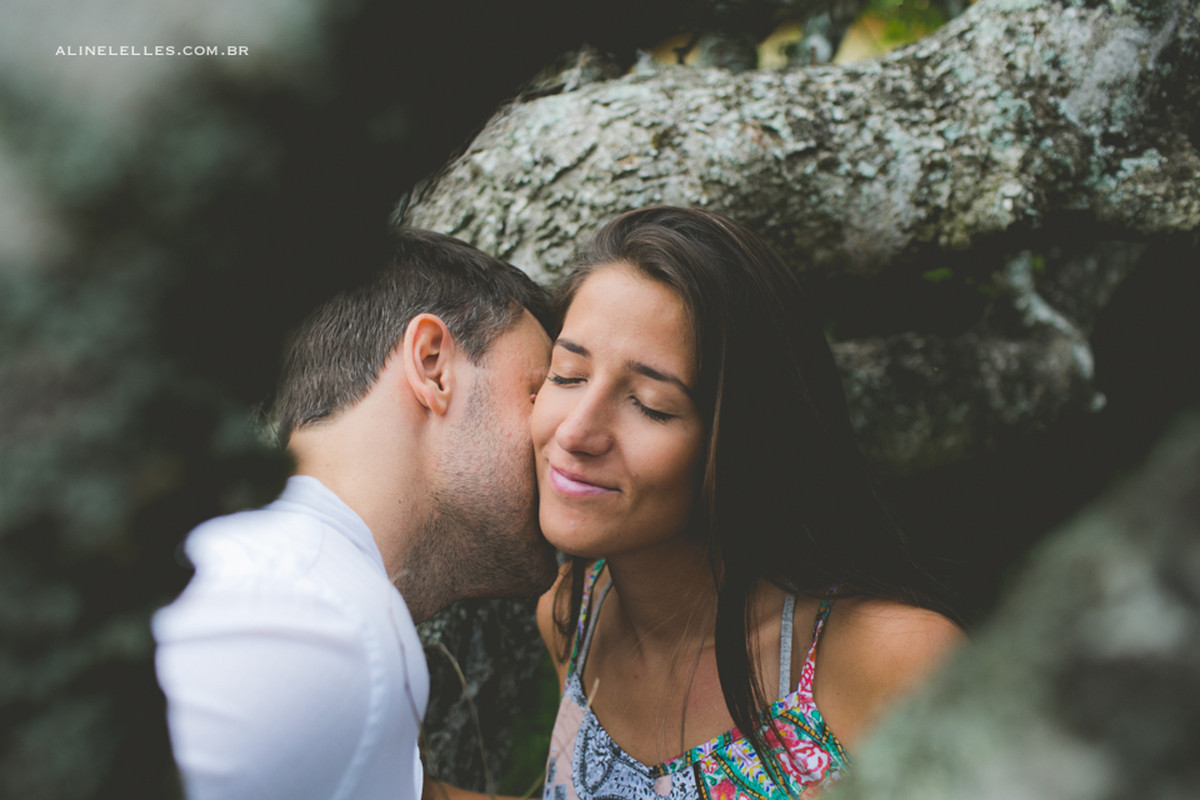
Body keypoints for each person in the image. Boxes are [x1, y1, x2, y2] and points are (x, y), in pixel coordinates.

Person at [532, 206, 964, 800]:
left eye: (652, 405)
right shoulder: (571, 617)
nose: (577, 432)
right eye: (567, 374)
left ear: (739, 443)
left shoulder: (891, 658)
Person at [153, 228, 560, 800]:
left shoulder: (294, 584)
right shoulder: (321, 624)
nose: (563, 434)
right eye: (539, 392)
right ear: (433, 364)